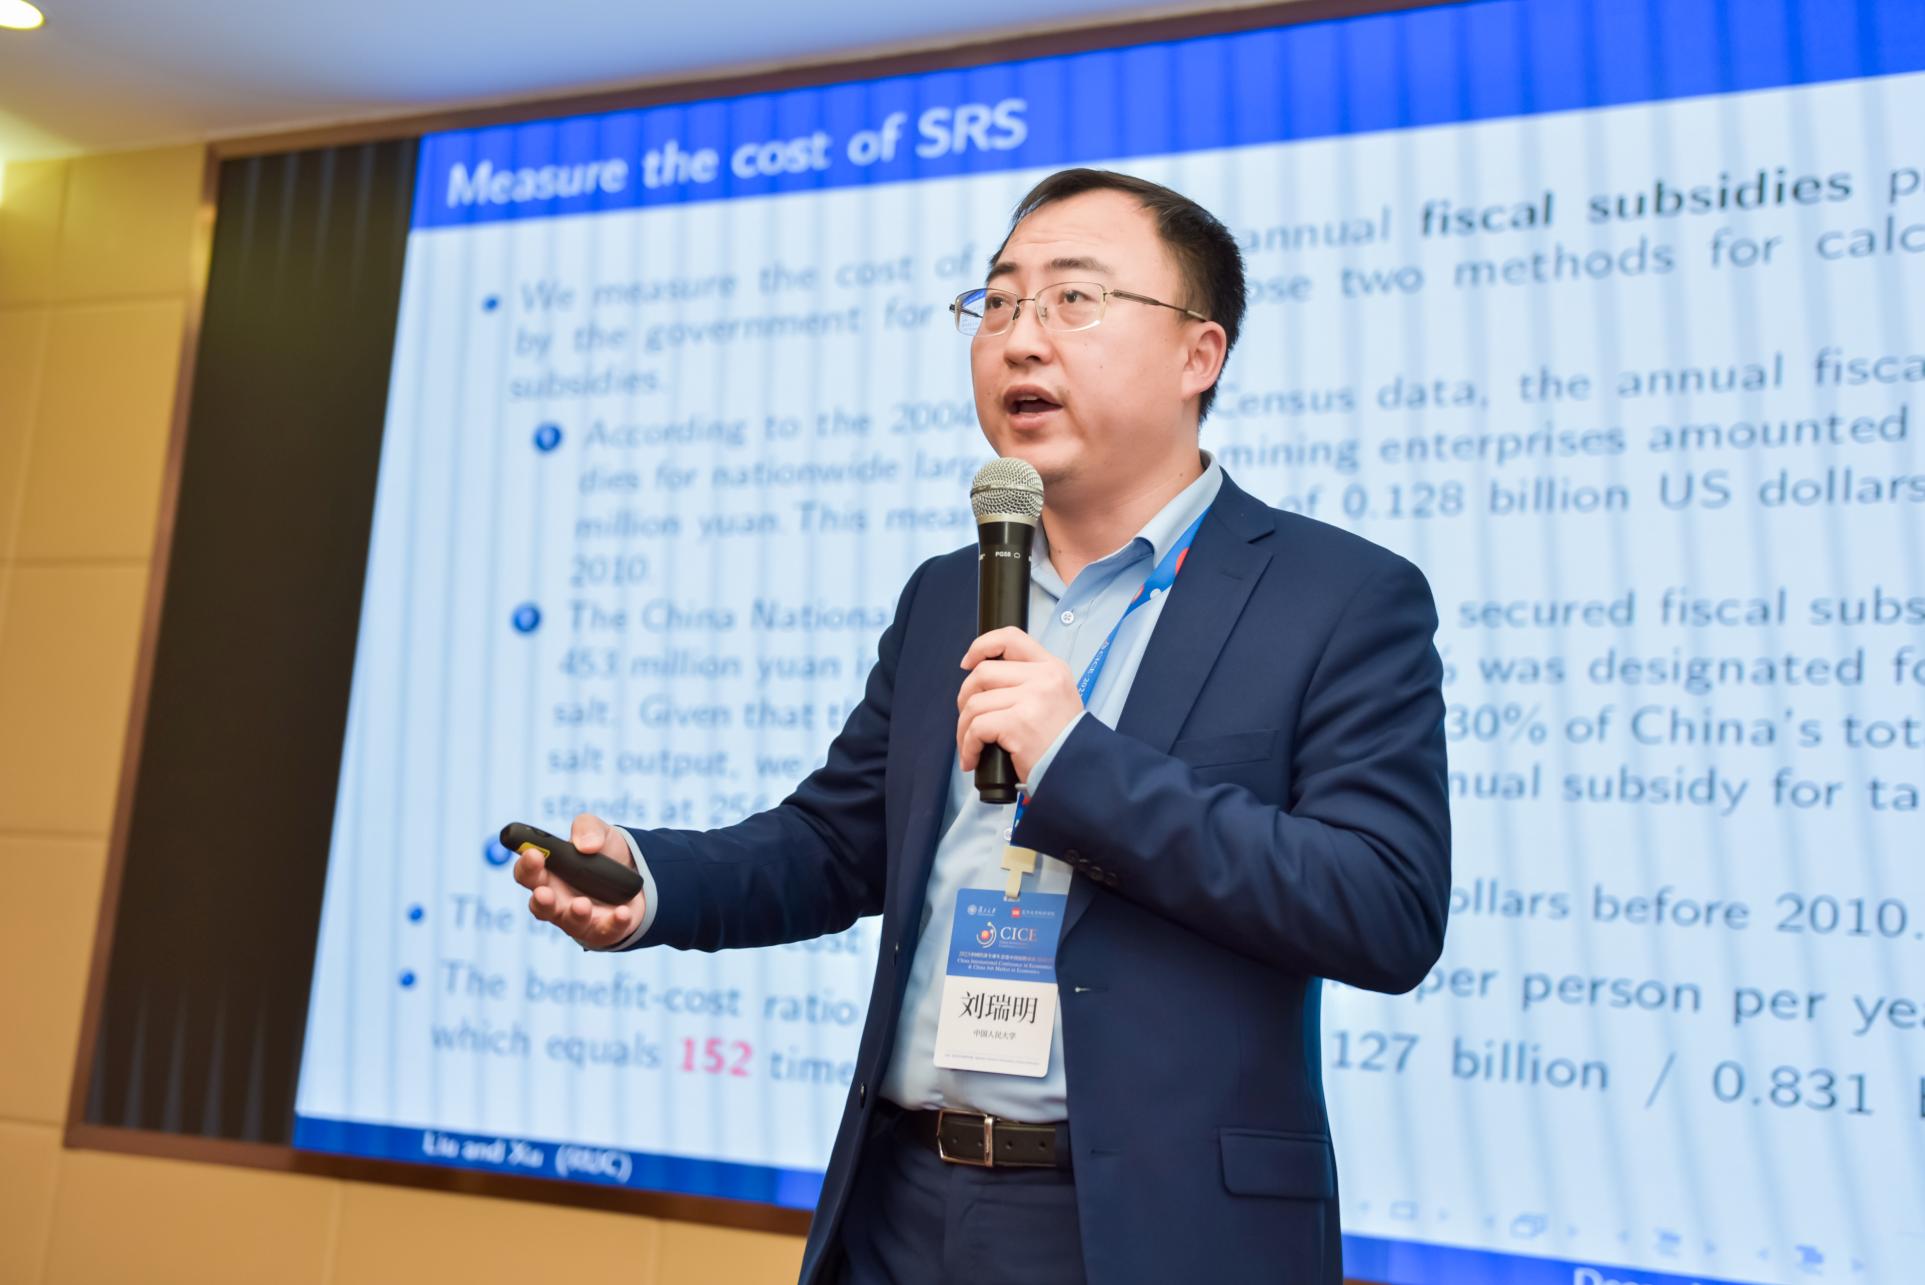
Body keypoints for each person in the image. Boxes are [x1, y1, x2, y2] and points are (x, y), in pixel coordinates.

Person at [516, 168, 1450, 1284]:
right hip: (903, 1201)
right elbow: (835, 844)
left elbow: (1385, 907)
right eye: (997, 302)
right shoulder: (946, 593)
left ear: (1197, 355)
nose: (1019, 338)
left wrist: (1078, 762)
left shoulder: (1336, 596)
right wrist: (649, 883)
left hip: (1150, 1232)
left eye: (1073, 299)